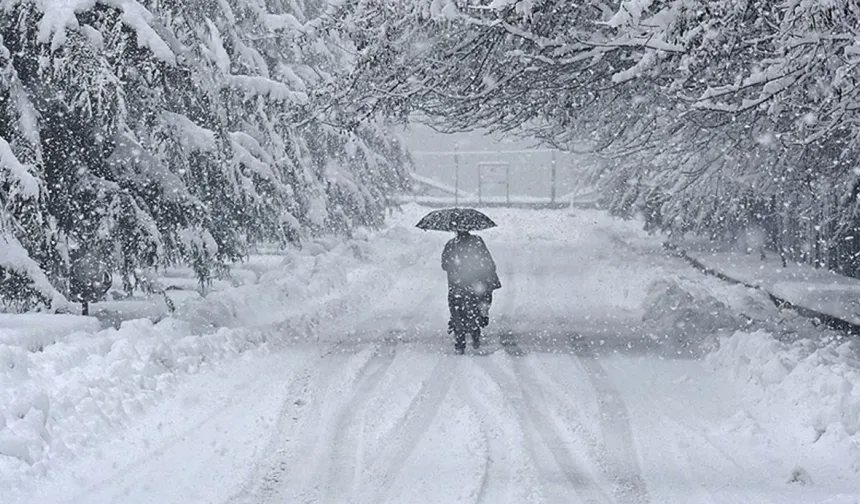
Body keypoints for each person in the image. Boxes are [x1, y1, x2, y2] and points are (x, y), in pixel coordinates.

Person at [441, 230, 501, 353]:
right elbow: (488, 261)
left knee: (457, 312)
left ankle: (460, 342)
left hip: (457, 285)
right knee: (474, 309)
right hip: (475, 284)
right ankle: (475, 334)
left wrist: (456, 266)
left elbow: (444, 265)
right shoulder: (477, 242)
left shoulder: (451, 244)